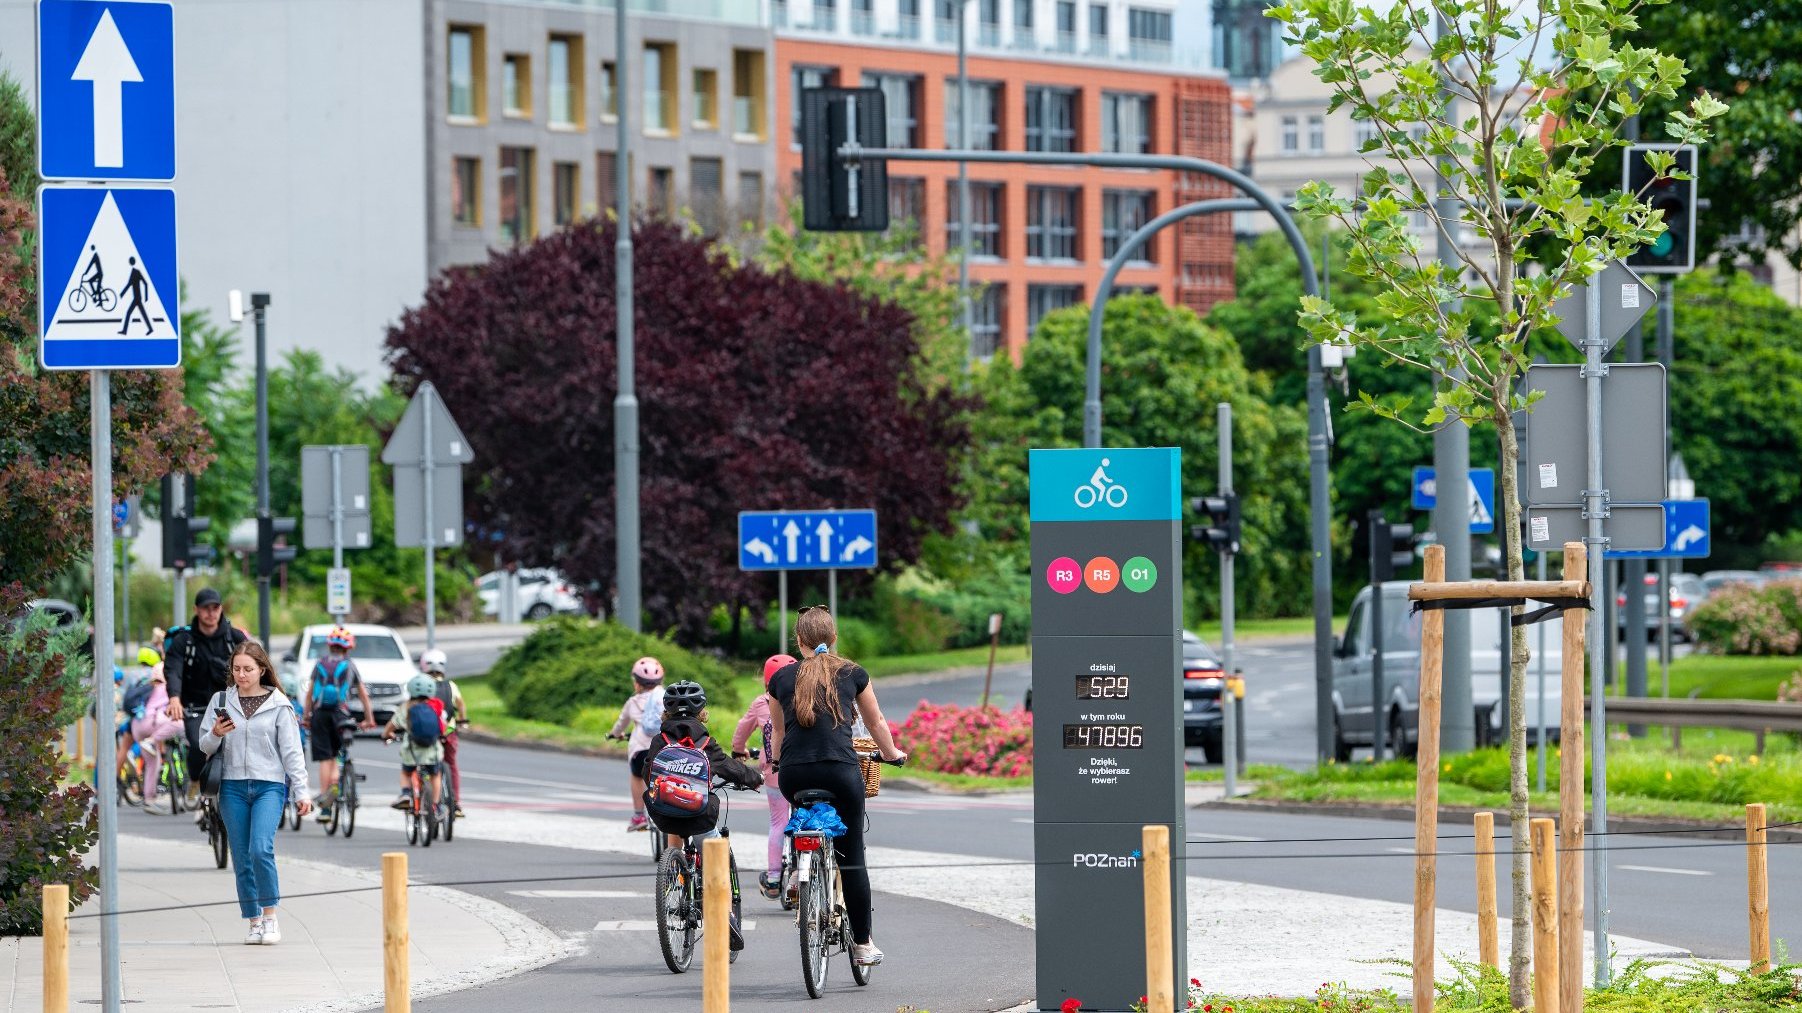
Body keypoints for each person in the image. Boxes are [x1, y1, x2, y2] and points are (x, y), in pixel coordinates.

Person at [767, 606, 906, 968]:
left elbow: (779, 734)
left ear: (799, 642)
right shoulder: (853, 673)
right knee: (852, 858)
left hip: (793, 776)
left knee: (802, 814)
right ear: (834, 637)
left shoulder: (780, 679)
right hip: (841, 773)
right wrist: (891, 755)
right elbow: (875, 721)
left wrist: (781, 764)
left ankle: (800, 868)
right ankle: (862, 944)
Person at [199, 642, 311, 945]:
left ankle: (271, 917)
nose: (242, 675)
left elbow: (292, 752)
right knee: (241, 855)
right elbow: (204, 746)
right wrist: (215, 734)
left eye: (248, 669)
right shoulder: (221, 700)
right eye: (237, 669)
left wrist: (302, 791)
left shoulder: (279, 704)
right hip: (232, 786)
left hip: (269, 786)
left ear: (262, 669)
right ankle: (254, 920)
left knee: (261, 849)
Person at [641, 680, 762, 951]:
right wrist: (755, 777)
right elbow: (731, 768)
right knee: (715, 855)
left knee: (674, 825)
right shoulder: (704, 741)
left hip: (664, 815)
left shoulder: (659, 740)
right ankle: (725, 915)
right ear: (702, 711)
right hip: (699, 815)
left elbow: (648, 773)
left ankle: (674, 877)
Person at [165, 588, 250, 810]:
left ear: (221, 609)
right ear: (196, 610)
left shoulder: (236, 639)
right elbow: (173, 670)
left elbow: (256, 667)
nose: (211, 614)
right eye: (206, 609)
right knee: (199, 745)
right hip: (196, 708)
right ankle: (195, 781)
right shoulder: (184, 641)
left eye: (215, 608)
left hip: (232, 706)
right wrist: (174, 698)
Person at [732, 653, 796, 899]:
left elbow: (742, 728)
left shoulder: (762, 702)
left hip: (773, 773)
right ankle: (800, 872)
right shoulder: (803, 699)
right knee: (802, 819)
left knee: (778, 822)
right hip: (801, 770)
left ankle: (772, 879)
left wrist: (739, 751)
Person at [302, 626, 375, 820]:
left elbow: (310, 693)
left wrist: (307, 716)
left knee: (325, 758)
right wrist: (369, 719)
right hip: (340, 715)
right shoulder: (350, 665)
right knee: (338, 753)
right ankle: (337, 782)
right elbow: (363, 695)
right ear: (348, 647)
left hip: (319, 715)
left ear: (330, 646)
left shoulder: (319, 664)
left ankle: (326, 809)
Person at [606, 656, 665, 832]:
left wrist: (614, 735)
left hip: (640, 751)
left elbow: (620, 724)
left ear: (637, 683)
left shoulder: (632, 702)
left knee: (637, 776)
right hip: (663, 748)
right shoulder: (665, 698)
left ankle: (639, 815)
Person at [128, 647, 184, 813]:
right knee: (180, 724)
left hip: (137, 723)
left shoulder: (151, 674)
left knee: (153, 763)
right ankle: (153, 741)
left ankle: (149, 799)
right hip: (155, 720)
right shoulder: (169, 672)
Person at [384, 674, 446, 814]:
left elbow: (392, 725)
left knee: (406, 772)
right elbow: (444, 725)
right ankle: (436, 806)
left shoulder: (406, 707)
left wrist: (386, 735)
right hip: (432, 751)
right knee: (435, 775)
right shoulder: (436, 706)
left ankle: (405, 794)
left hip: (411, 751)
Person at [421, 649, 468, 818]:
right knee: (452, 764)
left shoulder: (421, 685)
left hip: (429, 732)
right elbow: (460, 704)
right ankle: (455, 802)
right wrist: (462, 721)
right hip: (448, 732)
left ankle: (427, 796)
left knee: (427, 765)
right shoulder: (451, 685)